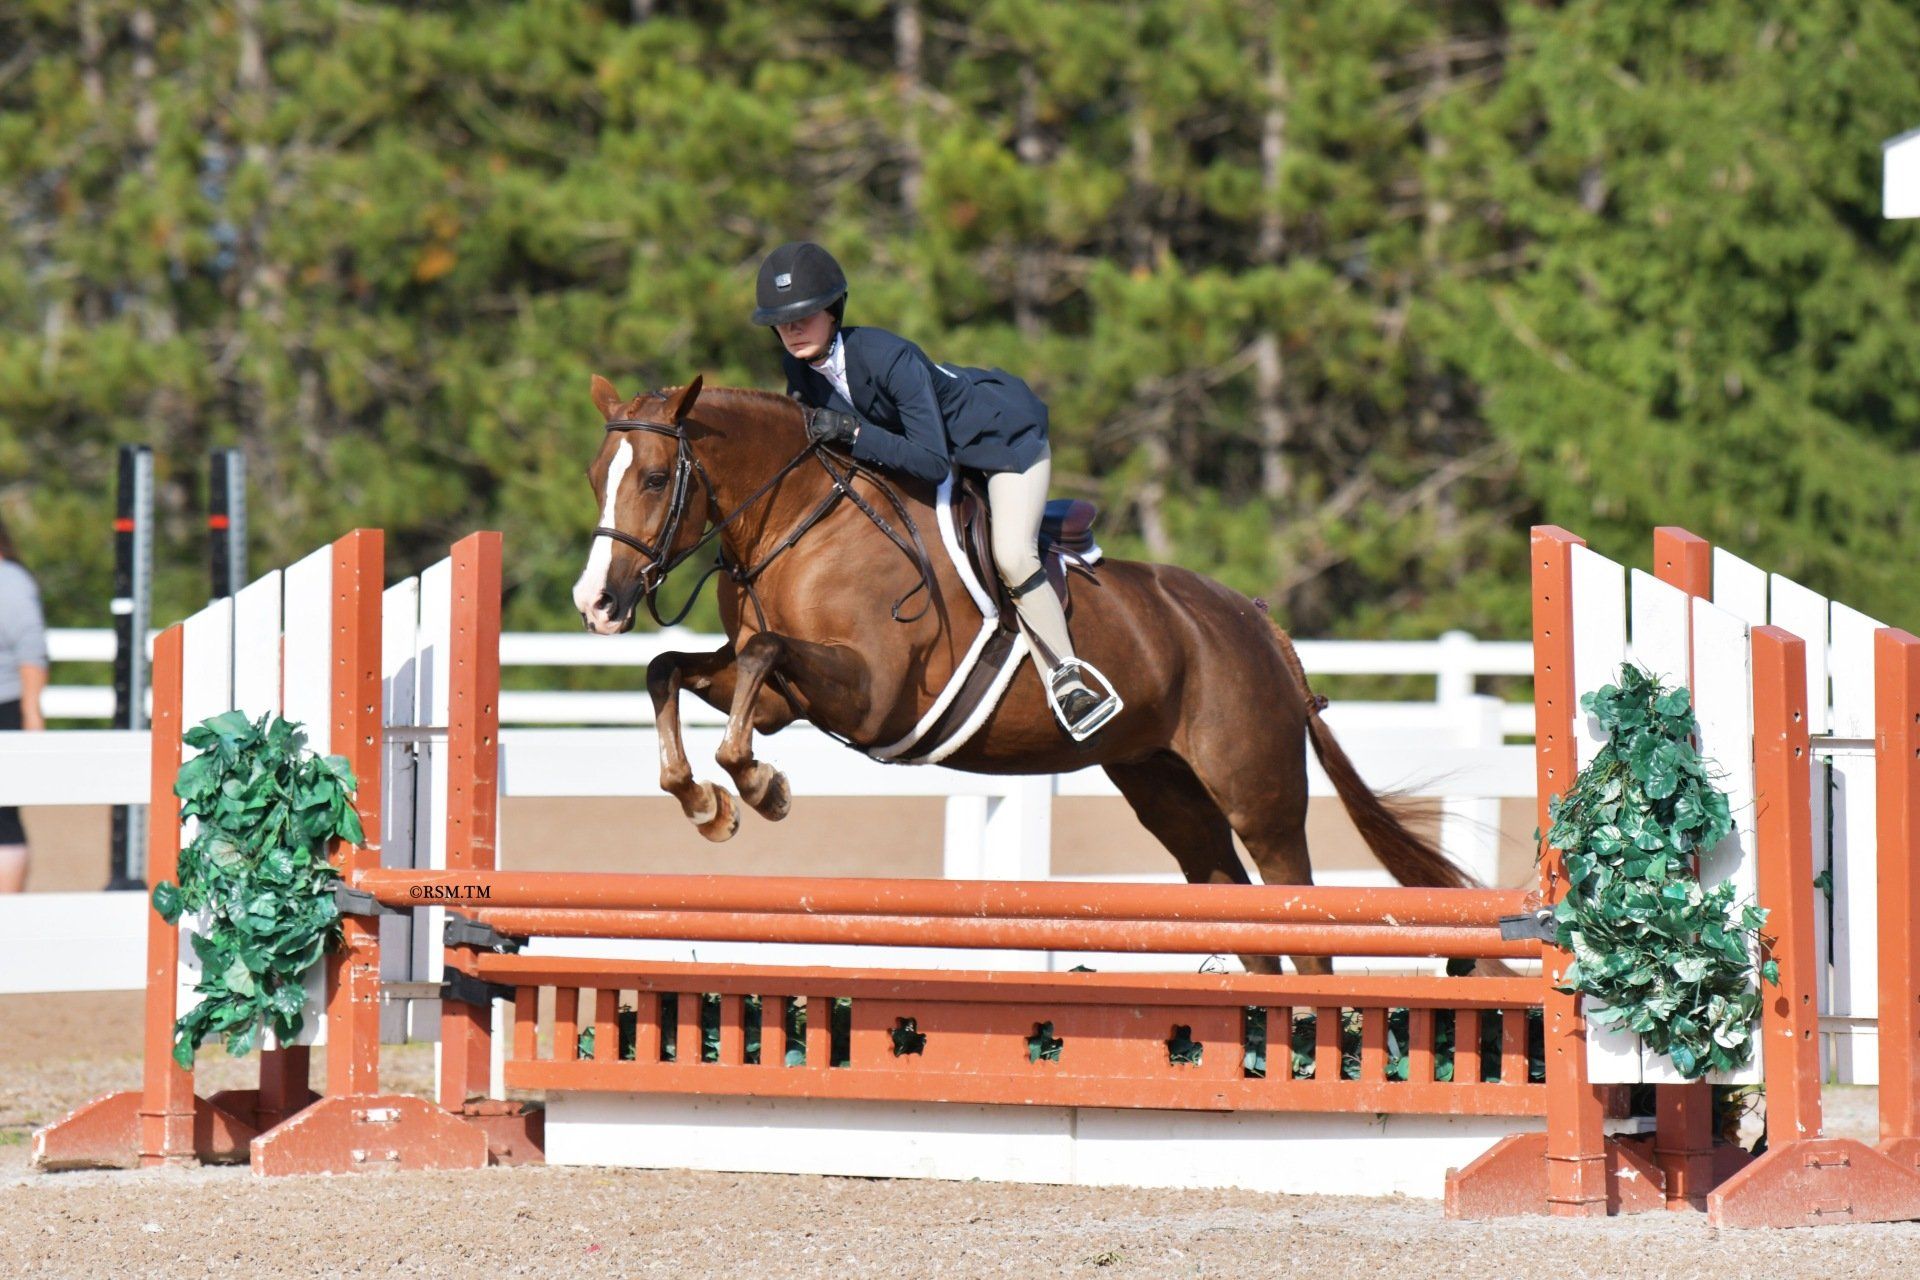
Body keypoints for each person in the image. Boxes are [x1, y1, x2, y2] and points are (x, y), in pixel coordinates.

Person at [752, 241, 1119, 740]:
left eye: (805, 315)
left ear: (833, 311)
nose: (792, 329)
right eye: (782, 320)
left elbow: (929, 461)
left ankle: (1069, 677)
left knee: (1012, 555)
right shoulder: (798, 366)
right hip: (939, 452)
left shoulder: (888, 357)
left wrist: (854, 434)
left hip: (1002, 445)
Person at [0, 512, 46, 892]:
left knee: (2, 817)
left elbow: (31, 651)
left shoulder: (11, 582)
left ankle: (7, 910)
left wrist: (32, 714)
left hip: (4, 707)